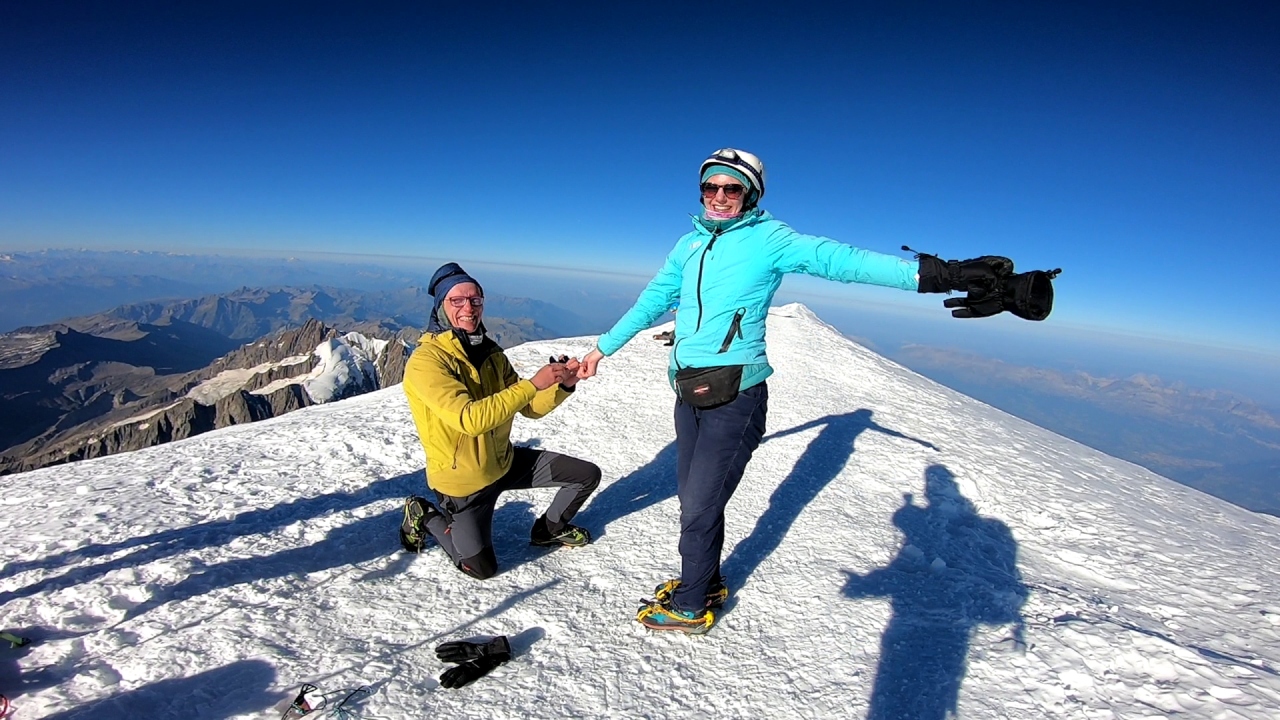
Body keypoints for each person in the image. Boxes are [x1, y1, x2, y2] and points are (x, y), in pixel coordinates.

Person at [577, 148, 1056, 634]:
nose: (719, 197)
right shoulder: (688, 245)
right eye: (710, 187)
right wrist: (602, 349)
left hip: (734, 395)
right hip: (688, 391)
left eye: (731, 188)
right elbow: (655, 298)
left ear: (750, 194)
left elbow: (842, 261)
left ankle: (690, 604)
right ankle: (706, 579)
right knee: (694, 500)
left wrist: (940, 275)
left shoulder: (769, 239)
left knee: (699, 504)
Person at [400, 262, 602, 580]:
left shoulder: (492, 353)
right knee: (480, 568)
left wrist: (565, 384)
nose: (469, 307)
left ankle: (548, 530)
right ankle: (424, 514)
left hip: (503, 462)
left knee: (585, 475)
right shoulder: (427, 362)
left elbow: (529, 408)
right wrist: (533, 383)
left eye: (475, 300)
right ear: (440, 307)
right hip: (463, 483)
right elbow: (469, 419)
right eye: (457, 301)